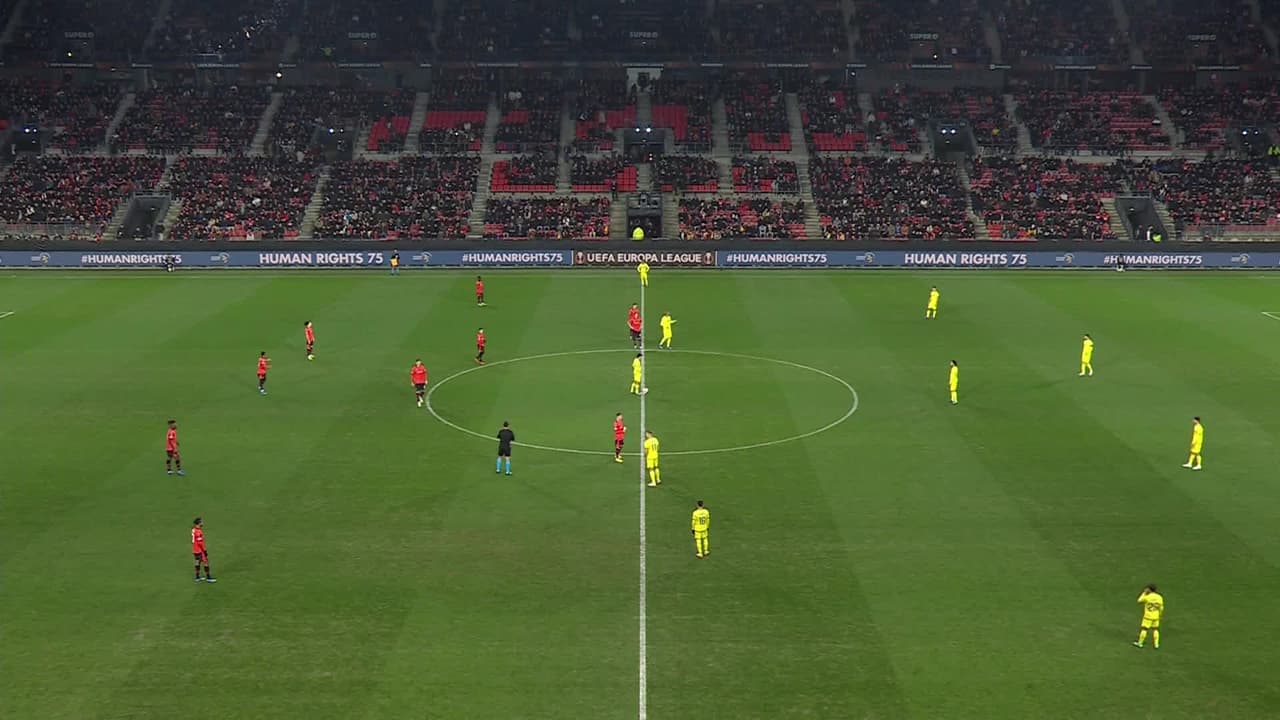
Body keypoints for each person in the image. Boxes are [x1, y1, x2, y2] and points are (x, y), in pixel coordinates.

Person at [1133, 584, 1164, 649]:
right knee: (1155, 629)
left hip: (1148, 616)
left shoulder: (1148, 597)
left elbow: (1139, 600)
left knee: (1144, 629)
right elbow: (1161, 607)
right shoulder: (1159, 597)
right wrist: (1160, 615)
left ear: (1149, 589)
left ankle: (1140, 643)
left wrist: (1144, 593)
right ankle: (1156, 644)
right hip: (1156, 616)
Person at [191, 517, 215, 583]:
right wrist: (204, 551)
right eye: (201, 522)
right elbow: (200, 543)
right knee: (206, 562)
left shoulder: (193, 530)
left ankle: (197, 577)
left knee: (197, 561)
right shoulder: (198, 532)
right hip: (199, 550)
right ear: (199, 523)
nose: (203, 523)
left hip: (194, 549)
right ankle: (208, 577)